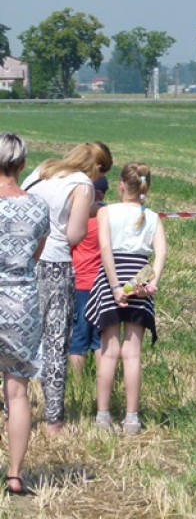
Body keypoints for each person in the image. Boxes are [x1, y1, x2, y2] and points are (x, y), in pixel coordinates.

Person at [22, 140, 112, 435]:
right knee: (56, 339)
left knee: (20, 338)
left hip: (21, 261)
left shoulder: (42, 170)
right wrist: (89, 212)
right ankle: (54, 419)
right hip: (55, 263)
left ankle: (15, 408)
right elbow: (73, 235)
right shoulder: (82, 184)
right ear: (96, 167)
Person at [86, 162, 166, 435]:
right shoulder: (153, 217)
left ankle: (103, 415)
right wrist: (151, 282)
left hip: (113, 275)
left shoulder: (106, 212)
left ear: (121, 185)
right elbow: (161, 254)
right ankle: (132, 417)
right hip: (140, 276)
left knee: (108, 352)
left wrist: (115, 286)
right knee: (132, 354)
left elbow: (105, 248)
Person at [0, 133, 50, 496]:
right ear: (22, 165)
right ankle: (15, 475)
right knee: (17, 391)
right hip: (21, 300)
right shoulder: (38, 207)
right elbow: (36, 253)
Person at [69, 175, 108, 375]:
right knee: (100, 338)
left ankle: (77, 382)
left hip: (81, 283)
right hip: (103, 284)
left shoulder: (80, 218)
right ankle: (103, 378)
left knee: (79, 336)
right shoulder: (107, 218)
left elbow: (69, 244)